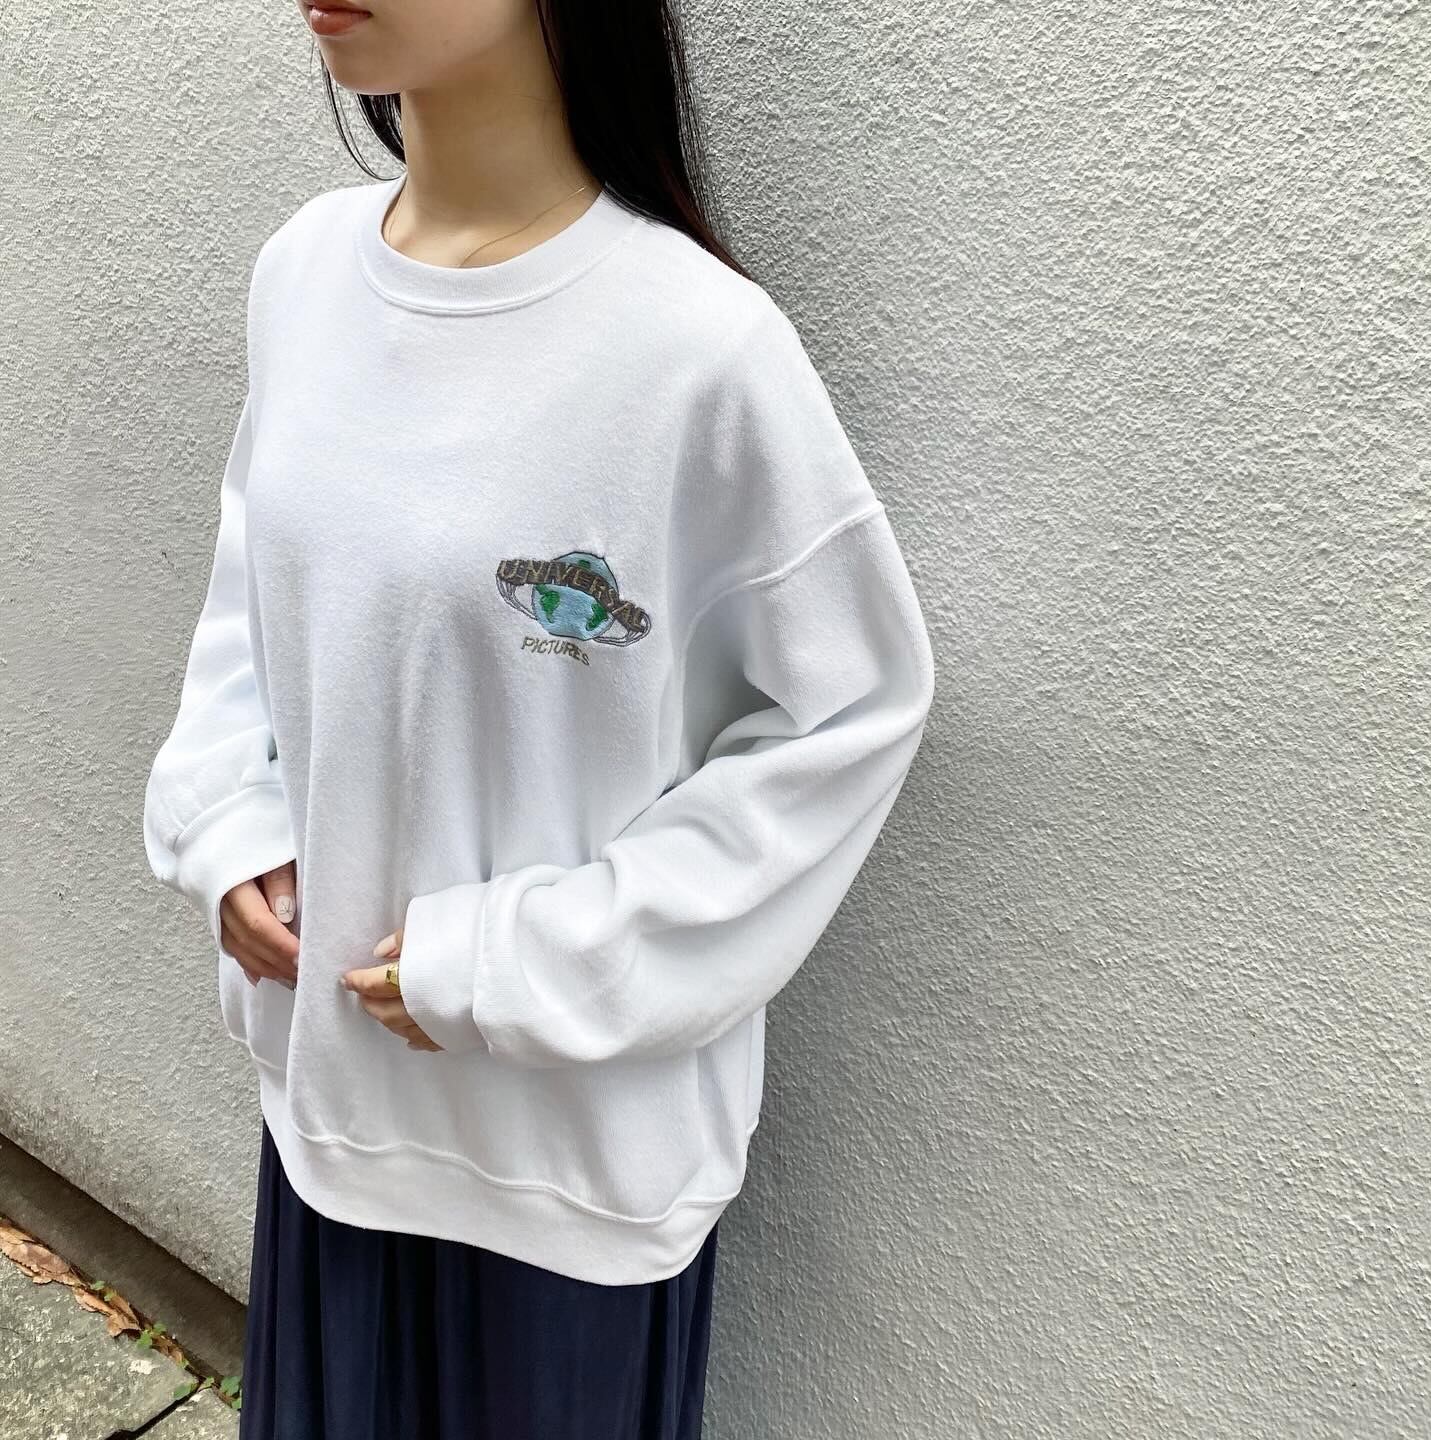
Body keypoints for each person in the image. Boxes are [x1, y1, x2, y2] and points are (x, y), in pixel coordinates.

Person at [141, 0, 936, 1435]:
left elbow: (850, 719)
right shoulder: (304, 275)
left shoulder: (700, 349)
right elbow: (254, 607)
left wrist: (522, 960)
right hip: (335, 1122)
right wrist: (229, 822)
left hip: (569, 1173)